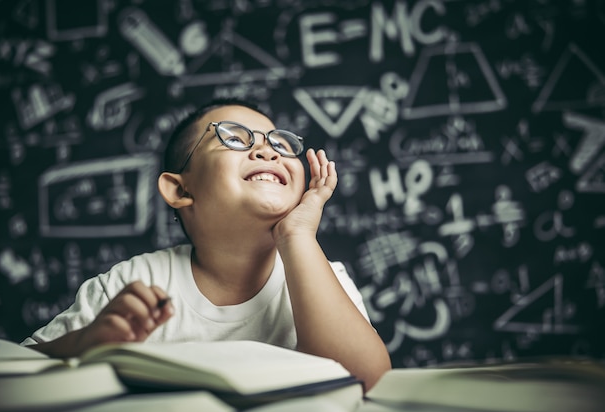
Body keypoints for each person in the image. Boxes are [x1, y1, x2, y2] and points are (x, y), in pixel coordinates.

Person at [22, 97, 391, 389]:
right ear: (180, 189)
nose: (268, 151)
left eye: (280, 142)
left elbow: (365, 379)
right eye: (233, 137)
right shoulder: (131, 284)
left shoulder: (320, 276)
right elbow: (11, 371)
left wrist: (297, 236)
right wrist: (84, 344)